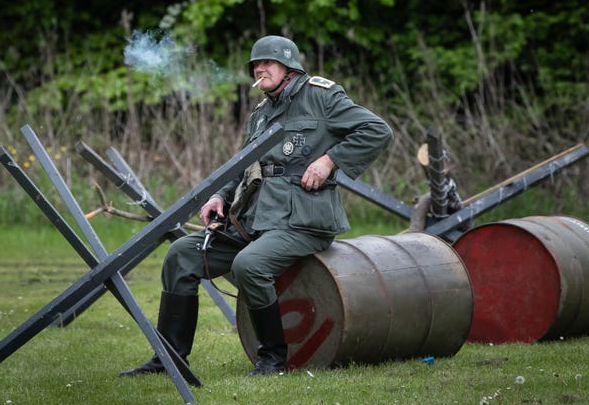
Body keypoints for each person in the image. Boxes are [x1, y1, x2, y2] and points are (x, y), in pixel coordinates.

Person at [120, 35, 394, 377]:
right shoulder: (261, 113)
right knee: (181, 255)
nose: (260, 68)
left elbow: (376, 130)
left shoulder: (322, 96)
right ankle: (169, 359)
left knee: (249, 264)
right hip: (254, 218)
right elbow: (245, 164)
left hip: (303, 220)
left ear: (290, 68)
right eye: (255, 64)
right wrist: (219, 195)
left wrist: (329, 161)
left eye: (268, 63)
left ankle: (273, 359)